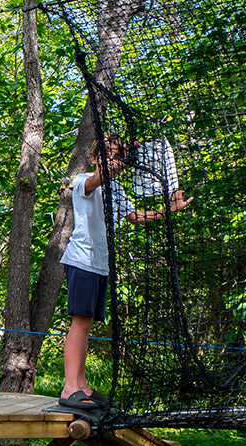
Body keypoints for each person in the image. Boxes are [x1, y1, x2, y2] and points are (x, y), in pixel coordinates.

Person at [58, 133, 193, 410]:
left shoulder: (116, 190)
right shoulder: (83, 180)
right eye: (107, 153)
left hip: (100, 264)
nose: (113, 159)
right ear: (95, 158)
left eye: (118, 154)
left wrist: (170, 208)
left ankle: (82, 385)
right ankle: (69, 386)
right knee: (80, 323)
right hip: (81, 260)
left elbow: (136, 216)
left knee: (88, 325)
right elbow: (99, 179)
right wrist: (118, 158)